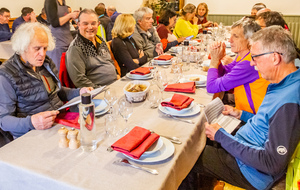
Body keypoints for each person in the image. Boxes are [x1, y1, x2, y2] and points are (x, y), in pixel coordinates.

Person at [179, 25, 300, 190]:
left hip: (252, 172)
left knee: (185, 157)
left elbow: (271, 163)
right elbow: (270, 122)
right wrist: (242, 114)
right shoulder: (288, 82)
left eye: (255, 57)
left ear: (274, 58)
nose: (251, 62)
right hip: (247, 145)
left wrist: (221, 136)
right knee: (198, 139)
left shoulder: (288, 103)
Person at [0, 22, 92, 138]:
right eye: (37, 48)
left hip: (59, 123)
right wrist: (32, 122)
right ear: (22, 47)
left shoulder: (45, 63)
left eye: (45, 48)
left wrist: (79, 92)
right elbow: (3, 120)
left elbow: (57, 92)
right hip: (32, 133)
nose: (42, 54)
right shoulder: (6, 75)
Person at [206, 18, 269, 114]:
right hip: (241, 109)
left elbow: (211, 87)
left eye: (235, 36)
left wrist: (214, 61)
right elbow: (225, 72)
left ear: (249, 40)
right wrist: (218, 59)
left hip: (253, 118)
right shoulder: (245, 55)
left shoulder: (249, 63)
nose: (230, 40)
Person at [66, 9, 118, 88]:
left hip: (114, 84)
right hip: (98, 92)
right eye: (85, 24)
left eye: (93, 23)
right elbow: (79, 80)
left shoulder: (100, 40)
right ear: (78, 25)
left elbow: (109, 61)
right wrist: (101, 90)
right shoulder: (75, 48)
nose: (90, 27)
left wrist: (117, 75)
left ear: (98, 24)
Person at [44, 0, 79, 71]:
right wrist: (70, 15)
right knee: (60, 70)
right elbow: (54, 22)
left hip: (67, 39)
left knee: (69, 70)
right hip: (57, 42)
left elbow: (63, 18)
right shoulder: (50, 1)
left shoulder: (62, 1)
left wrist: (74, 15)